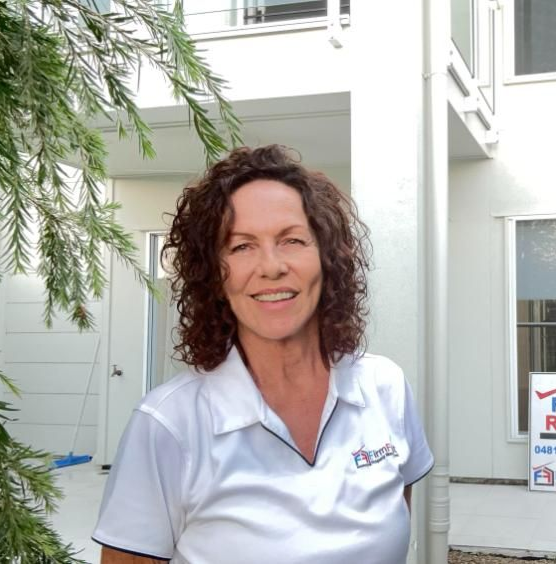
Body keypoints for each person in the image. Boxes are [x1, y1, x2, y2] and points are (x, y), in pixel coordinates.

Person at [93, 145, 434, 564]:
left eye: (292, 240)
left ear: (327, 258)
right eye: (241, 247)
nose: (270, 266)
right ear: (213, 275)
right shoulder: (168, 426)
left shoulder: (386, 389)